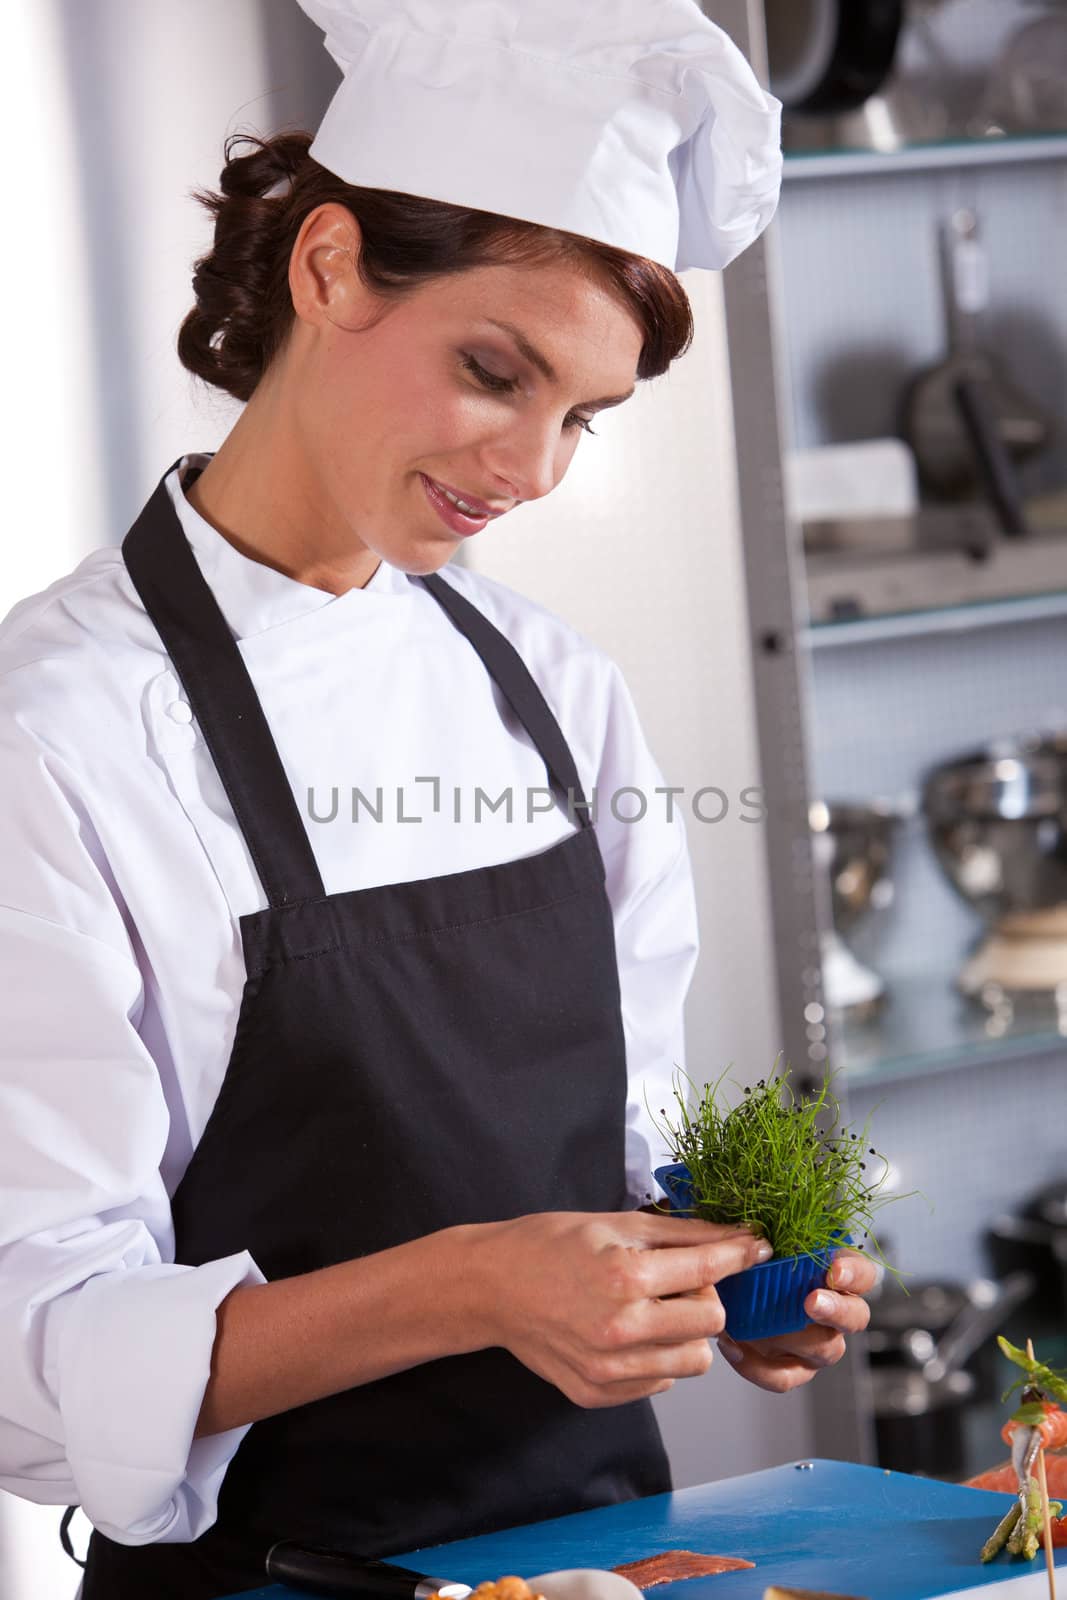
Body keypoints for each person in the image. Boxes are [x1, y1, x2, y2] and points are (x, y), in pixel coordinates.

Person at [0, 3, 876, 1596]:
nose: (532, 470)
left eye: (582, 417)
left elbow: (616, 1149)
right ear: (328, 269)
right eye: (496, 371)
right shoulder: (57, 735)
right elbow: (34, 1356)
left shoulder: (550, 687)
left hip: (595, 1569)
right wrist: (476, 1284)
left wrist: (723, 1282)